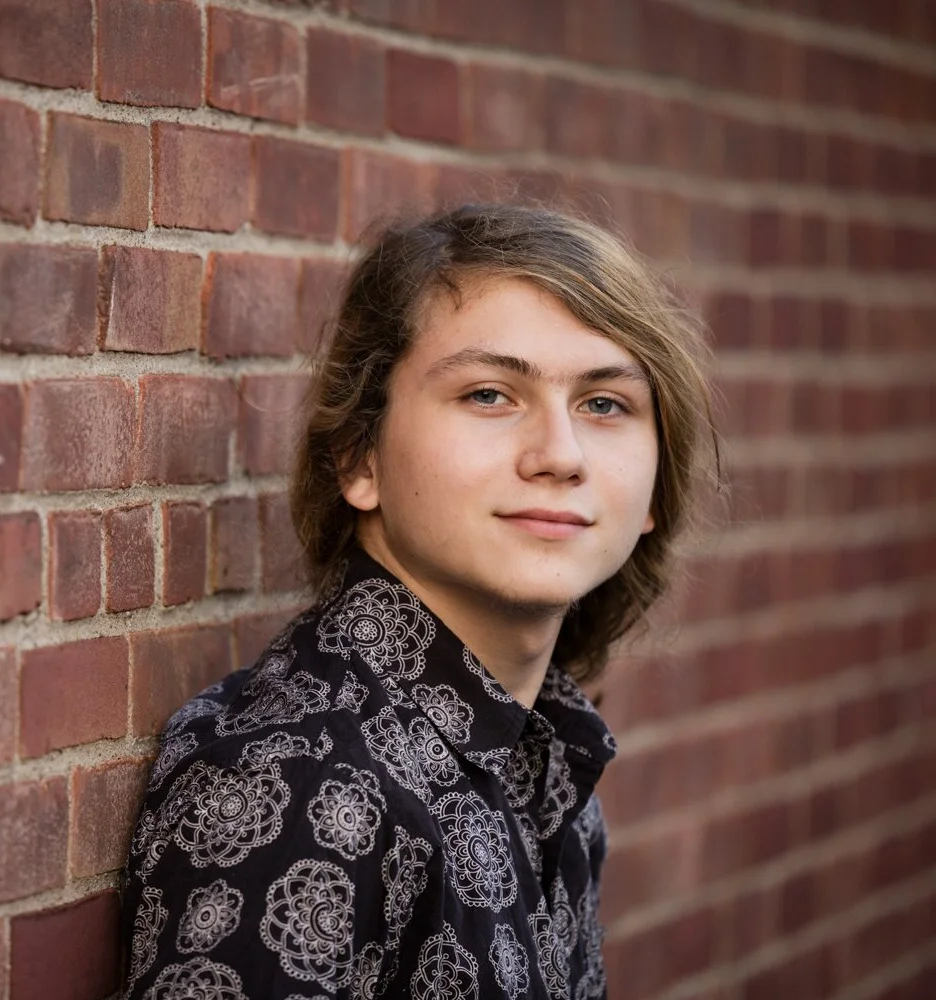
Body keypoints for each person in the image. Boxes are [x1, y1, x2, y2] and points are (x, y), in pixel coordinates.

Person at [119, 204, 718, 999]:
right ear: (358, 454)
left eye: (605, 404)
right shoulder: (299, 784)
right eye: (488, 395)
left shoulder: (547, 761)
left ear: (651, 492)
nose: (561, 456)